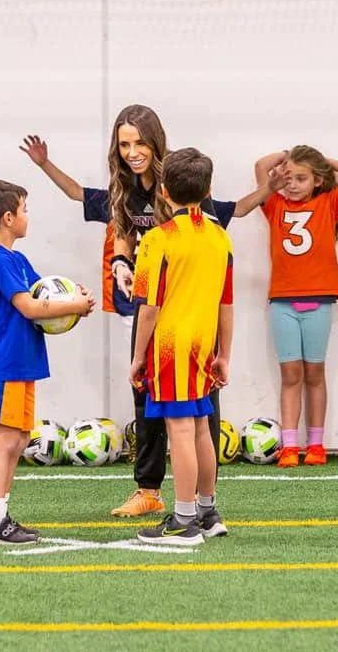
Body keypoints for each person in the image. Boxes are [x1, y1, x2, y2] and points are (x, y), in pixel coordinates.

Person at [19, 106, 279, 518]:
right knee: (151, 403)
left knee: (196, 412)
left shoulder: (179, 192)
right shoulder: (124, 189)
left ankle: (191, 510)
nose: (132, 151)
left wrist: (268, 188)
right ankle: (155, 491)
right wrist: (121, 265)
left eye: (139, 142)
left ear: (157, 144)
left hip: (176, 315)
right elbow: (106, 221)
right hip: (143, 308)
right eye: (124, 144)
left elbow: (234, 215)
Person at [0, 179, 95, 544]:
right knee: (5, 442)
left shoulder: (17, 259)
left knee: (20, 438)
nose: (28, 216)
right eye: (24, 209)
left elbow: (48, 294)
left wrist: (76, 299)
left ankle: (0, 515)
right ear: (8, 218)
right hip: (2, 363)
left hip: (22, 363)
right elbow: (29, 307)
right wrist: (74, 306)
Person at [131, 148, 233, 545]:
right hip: (204, 345)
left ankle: (185, 519)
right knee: (202, 429)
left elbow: (148, 307)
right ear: (208, 189)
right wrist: (224, 354)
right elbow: (227, 303)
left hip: (170, 346)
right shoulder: (220, 236)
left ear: (163, 189)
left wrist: (139, 357)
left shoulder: (157, 240)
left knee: (179, 429)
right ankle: (207, 511)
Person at [253, 146, 338, 468]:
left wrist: (324, 162)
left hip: (319, 300)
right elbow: (261, 164)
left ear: (317, 180)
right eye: (289, 177)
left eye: (302, 178)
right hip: (283, 302)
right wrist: (286, 156)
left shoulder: (328, 203)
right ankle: (289, 446)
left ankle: (316, 443)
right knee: (290, 374)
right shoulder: (274, 204)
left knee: (315, 372)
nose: (293, 184)